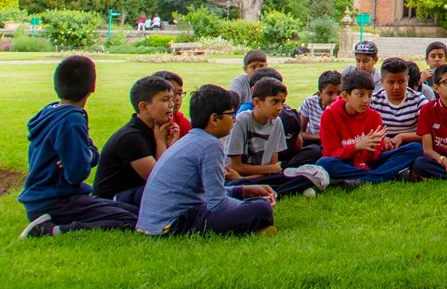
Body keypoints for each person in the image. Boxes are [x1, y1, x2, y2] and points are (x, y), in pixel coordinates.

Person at [18, 56, 139, 238]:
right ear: (93, 87)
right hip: (57, 201)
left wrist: (86, 154)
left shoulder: (50, 111)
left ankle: (48, 223)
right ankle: (51, 230)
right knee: (133, 220)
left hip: (41, 199)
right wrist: (88, 154)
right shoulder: (71, 120)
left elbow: (83, 156)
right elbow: (78, 172)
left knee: (136, 211)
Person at [136, 85, 277, 237]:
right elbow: (218, 204)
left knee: (254, 205)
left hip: (157, 223)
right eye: (231, 114)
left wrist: (242, 191)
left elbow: (206, 193)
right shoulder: (210, 145)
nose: (235, 120)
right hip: (173, 225)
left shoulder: (192, 139)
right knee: (262, 209)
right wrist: (249, 205)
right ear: (214, 119)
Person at [315, 70, 422, 185]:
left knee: (415, 148)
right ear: (345, 95)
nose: (366, 100)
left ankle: (362, 179)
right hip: (346, 161)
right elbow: (331, 153)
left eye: (370, 95)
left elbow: (374, 156)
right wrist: (357, 146)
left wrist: (371, 149)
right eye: (360, 95)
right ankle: (381, 176)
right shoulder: (329, 115)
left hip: (369, 163)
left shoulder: (374, 116)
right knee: (324, 163)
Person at [226, 78, 326, 197]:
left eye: (282, 102)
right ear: (257, 102)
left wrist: (269, 171)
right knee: (233, 184)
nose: (279, 107)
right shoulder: (243, 120)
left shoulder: (277, 122)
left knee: (308, 170)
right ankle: (268, 190)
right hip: (234, 176)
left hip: (261, 176)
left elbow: (273, 165)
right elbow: (236, 166)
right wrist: (269, 170)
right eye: (274, 102)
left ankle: (258, 189)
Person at [92, 75, 179, 206]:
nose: (171, 105)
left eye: (172, 99)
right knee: (166, 193)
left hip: (134, 192)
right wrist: (161, 143)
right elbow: (161, 180)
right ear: (144, 107)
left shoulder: (155, 131)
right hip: (110, 201)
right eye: (165, 100)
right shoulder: (130, 137)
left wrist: (170, 145)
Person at [370, 57, 426, 147]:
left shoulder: (418, 100)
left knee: (416, 148)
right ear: (382, 82)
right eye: (391, 82)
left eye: (401, 82)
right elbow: (364, 130)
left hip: (407, 147)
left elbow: (426, 133)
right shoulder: (373, 101)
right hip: (381, 146)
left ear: (407, 80)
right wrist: (382, 138)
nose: (396, 87)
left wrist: (402, 137)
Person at [299, 70, 343, 146]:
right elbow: (301, 133)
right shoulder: (310, 103)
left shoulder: (345, 106)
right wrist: (321, 137)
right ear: (319, 94)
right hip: (313, 141)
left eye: (339, 93)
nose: (335, 97)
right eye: (330, 93)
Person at [155, 71, 191, 138]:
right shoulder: (144, 125)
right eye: (172, 94)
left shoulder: (182, 123)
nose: (177, 98)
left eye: (180, 94)